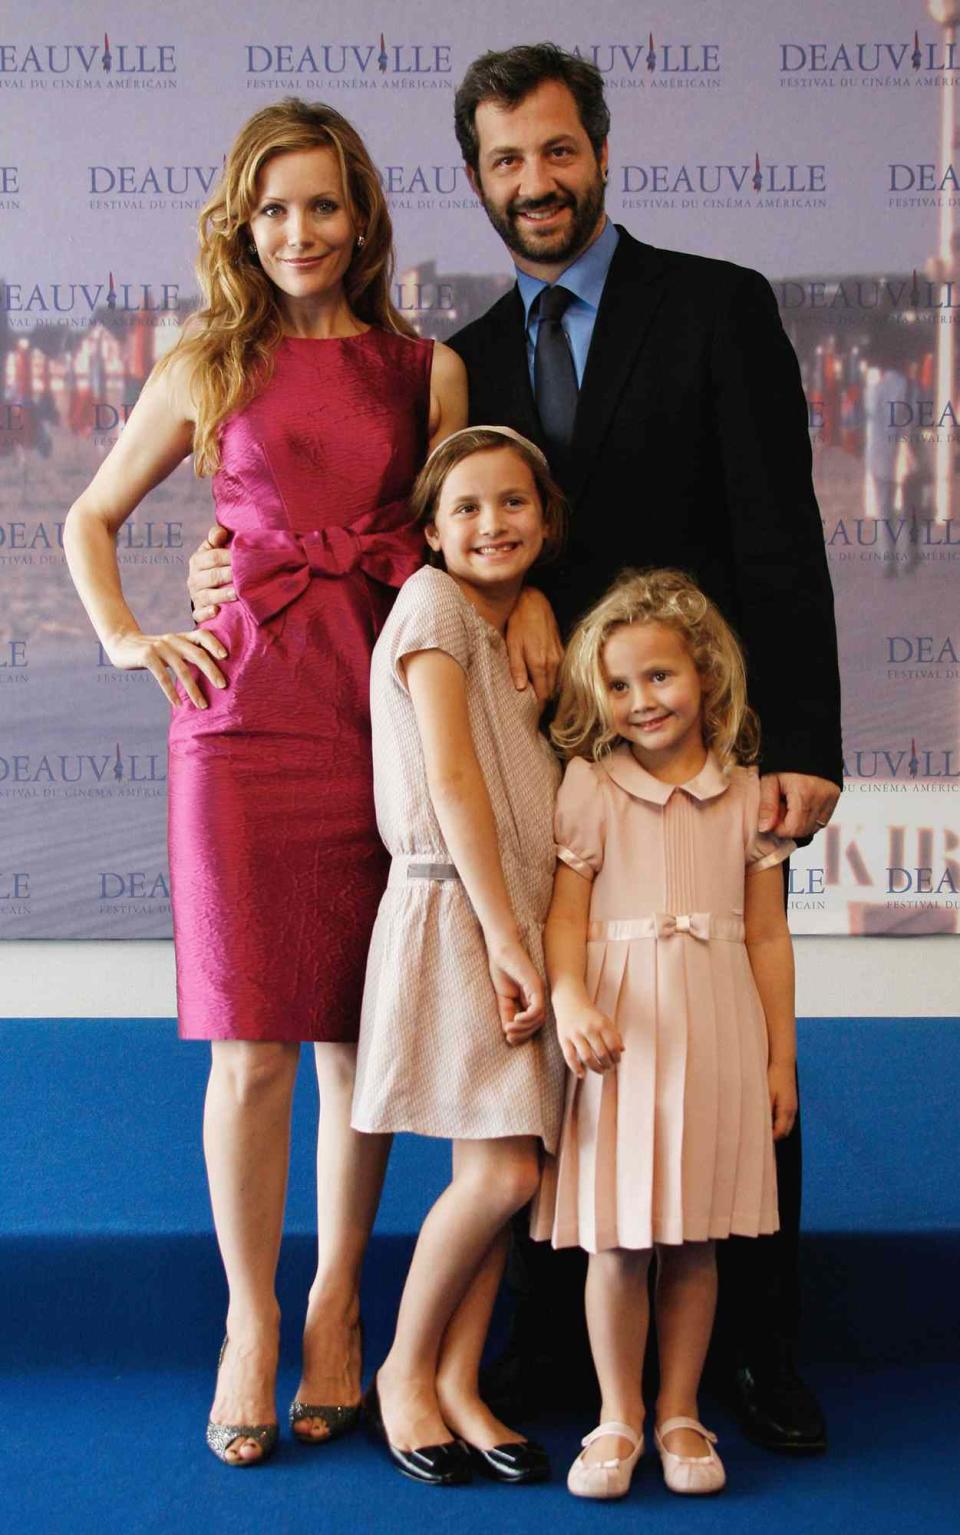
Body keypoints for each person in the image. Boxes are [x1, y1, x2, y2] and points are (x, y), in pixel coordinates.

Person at [186, 45, 842, 1451]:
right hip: (555, 761)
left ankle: (760, 1355)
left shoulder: (718, 308)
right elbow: (391, 512)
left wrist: (809, 744)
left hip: (699, 738)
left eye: (554, 153)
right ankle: (556, 1356)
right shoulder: (460, 352)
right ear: (474, 179)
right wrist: (220, 555)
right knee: (582, 1056)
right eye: (503, 162)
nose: (533, 183)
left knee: (719, 1030)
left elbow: (786, 542)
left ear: (598, 150)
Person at [63, 97, 467, 1466]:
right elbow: (91, 514)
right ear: (244, 221)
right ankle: (249, 1316)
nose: (298, 230)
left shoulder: (427, 370)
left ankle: (342, 1301)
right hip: (237, 724)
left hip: (384, 720)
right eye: (273, 207)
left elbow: (462, 542)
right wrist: (135, 632)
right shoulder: (205, 361)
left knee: (364, 1040)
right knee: (251, 1047)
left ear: (362, 218)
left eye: (323, 205)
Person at [535, 567, 797, 1499]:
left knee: (693, 1239)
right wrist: (569, 999)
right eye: (619, 684)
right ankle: (618, 1413)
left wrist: (780, 1056)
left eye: (660, 677)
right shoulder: (589, 787)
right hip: (618, 1034)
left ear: (706, 677)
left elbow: (766, 932)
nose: (641, 700)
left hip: (717, 1025)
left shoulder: (750, 794)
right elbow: (564, 917)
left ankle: (682, 1408)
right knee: (618, 1238)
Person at [353, 426, 566, 1485]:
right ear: (431, 532)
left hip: (510, 913)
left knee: (501, 1157)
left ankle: (458, 1377)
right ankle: (403, 1367)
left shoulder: (516, 625)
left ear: (547, 519)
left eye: (514, 502)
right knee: (504, 1165)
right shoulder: (434, 607)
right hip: (464, 911)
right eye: (468, 508)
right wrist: (507, 936)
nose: (493, 523)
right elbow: (451, 777)